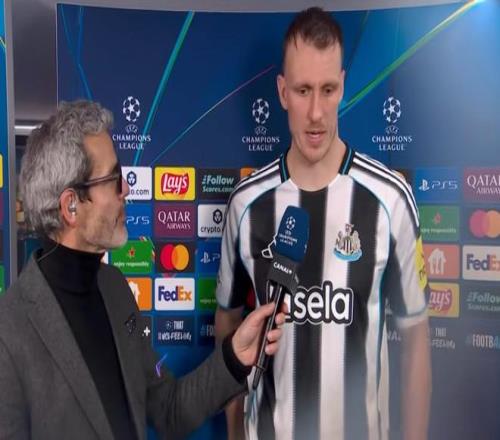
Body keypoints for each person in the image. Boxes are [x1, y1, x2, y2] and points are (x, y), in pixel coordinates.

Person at [0, 100, 286, 440]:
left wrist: (235, 356)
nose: (126, 189)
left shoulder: (114, 288)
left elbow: (168, 410)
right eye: (114, 178)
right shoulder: (9, 333)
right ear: (71, 206)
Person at [215, 7, 431, 440]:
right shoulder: (246, 204)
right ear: (282, 92)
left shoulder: (391, 200)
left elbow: (416, 341)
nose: (316, 112)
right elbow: (227, 325)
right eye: (303, 90)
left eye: (328, 90)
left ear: (343, 87)